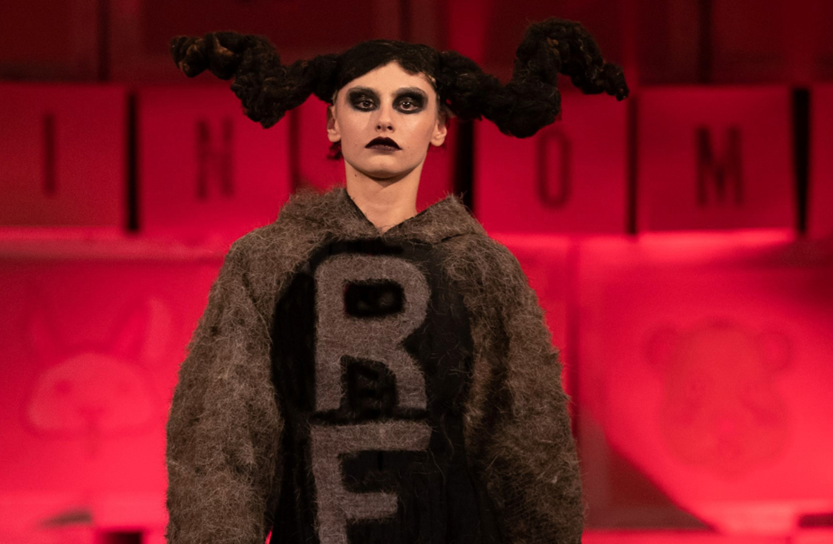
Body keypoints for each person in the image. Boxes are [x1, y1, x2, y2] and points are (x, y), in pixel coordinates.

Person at [166, 19, 628, 544]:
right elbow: (222, 445)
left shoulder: (482, 268)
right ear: (332, 122)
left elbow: (527, 445)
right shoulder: (266, 261)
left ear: (439, 127)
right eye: (363, 101)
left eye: (408, 103)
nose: (384, 119)